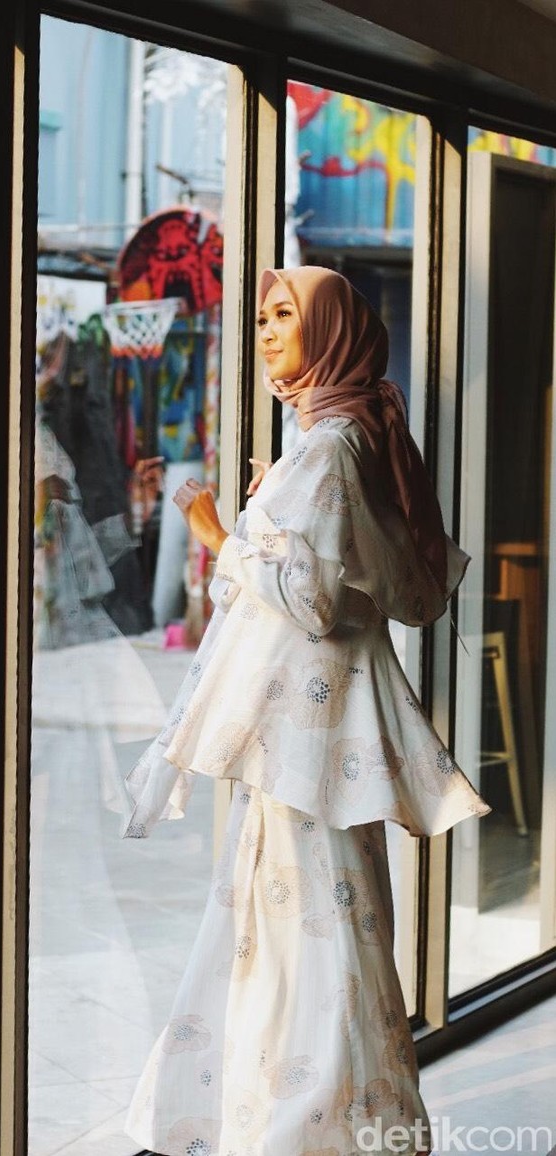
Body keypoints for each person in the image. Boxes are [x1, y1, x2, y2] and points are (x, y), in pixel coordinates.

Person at [118, 265, 492, 1156]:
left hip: (307, 740)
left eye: (284, 315)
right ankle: (326, 1121)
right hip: (318, 735)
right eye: (261, 318)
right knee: (322, 926)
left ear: (329, 331)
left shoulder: (330, 443)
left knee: (304, 932)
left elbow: (313, 601)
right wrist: (270, 516)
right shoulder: (346, 433)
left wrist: (221, 536)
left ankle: (309, 1128)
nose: (266, 331)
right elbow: (353, 570)